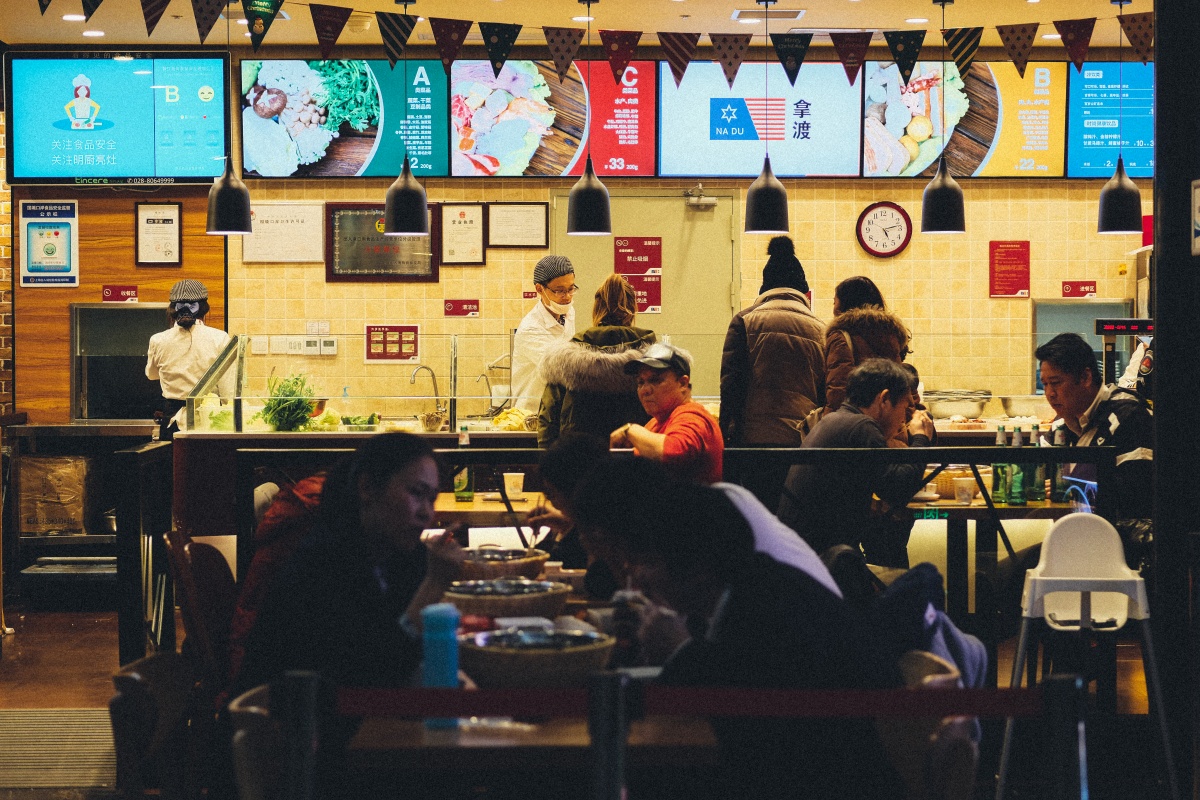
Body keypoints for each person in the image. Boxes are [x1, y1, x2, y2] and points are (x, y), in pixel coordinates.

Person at [570, 458, 903, 800]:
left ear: (698, 570)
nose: (638, 575)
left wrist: (681, 651)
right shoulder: (752, 586)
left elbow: (741, 717)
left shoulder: (765, 610)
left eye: (650, 561)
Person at [231, 433, 466, 698]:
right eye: (416, 493)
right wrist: (434, 585)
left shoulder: (396, 554)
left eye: (432, 499)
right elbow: (368, 679)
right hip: (284, 730)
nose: (427, 512)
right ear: (367, 488)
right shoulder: (322, 565)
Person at [778, 358, 934, 564]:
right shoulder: (862, 427)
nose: (904, 420)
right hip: (818, 566)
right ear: (884, 399)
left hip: (800, 554)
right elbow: (898, 489)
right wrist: (921, 437)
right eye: (905, 408)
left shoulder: (838, 420)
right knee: (918, 580)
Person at [720, 235, 826, 508]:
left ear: (764, 286)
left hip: (754, 444)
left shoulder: (744, 321)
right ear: (803, 289)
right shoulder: (821, 329)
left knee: (759, 518)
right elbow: (825, 393)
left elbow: (731, 386)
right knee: (793, 516)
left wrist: (725, 438)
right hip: (803, 442)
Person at [1036, 333, 1153, 565]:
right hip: (1080, 540)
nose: (1049, 393)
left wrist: (1071, 485)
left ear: (1086, 377)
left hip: (1122, 552)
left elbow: (1136, 494)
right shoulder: (1063, 427)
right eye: (1045, 384)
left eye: (1056, 383)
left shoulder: (1128, 417)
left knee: (1012, 575)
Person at [537, 273, 656, 447]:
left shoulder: (567, 356)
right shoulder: (655, 359)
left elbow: (548, 418)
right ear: (633, 309)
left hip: (580, 460)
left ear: (596, 309)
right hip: (636, 460)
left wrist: (550, 464)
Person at [609, 342, 723, 485]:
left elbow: (673, 452)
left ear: (682, 383)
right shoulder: (655, 423)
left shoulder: (692, 415)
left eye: (655, 380)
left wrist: (630, 430)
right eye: (640, 382)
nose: (645, 390)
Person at [145, 279, 233, 440]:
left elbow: (151, 375)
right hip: (209, 419)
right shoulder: (220, 338)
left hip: (172, 421)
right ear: (204, 308)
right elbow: (228, 391)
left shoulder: (157, 340)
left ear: (173, 309)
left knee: (173, 464)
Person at [822, 275, 911, 414]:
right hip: (889, 422)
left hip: (856, 427)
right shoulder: (890, 337)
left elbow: (838, 392)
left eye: (834, 302)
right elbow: (900, 388)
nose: (833, 308)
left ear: (842, 306)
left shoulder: (841, 338)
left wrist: (829, 426)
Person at [510, 255, 577, 411]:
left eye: (571, 289)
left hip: (556, 408)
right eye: (559, 291)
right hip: (531, 413)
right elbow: (560, 369)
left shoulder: (568, 313)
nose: (567, 297)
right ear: (540, 289)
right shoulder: (531, 328)